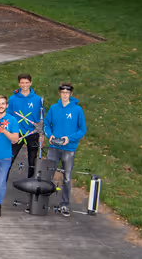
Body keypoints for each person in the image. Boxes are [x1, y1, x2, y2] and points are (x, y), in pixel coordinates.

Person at [44, 82, 86, 217]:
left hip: (69, 148)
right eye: (62, 92)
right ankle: (43, 202)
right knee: (47, 174)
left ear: (71, 94)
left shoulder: (77, 110)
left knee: (67, 177)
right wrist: (49, 135)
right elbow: (46, 124)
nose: (65, 95)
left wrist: (70, 138)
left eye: (67, 93)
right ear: (59, 93)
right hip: (54, 147)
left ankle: (65, 204)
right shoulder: (53, 108)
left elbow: (82, 130)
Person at [7, 74, 44, 179]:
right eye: (22, 83)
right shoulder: (13, 99)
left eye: (27, 82)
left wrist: (41, 133)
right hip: (17, 133)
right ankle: (0, 186)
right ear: (19, 84)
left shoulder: (38, 100)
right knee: (9, 159)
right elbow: (8, 117)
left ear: (31, 83)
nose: (24, 85)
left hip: (32, 134)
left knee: (32, 161)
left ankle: (31, 184)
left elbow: (41, 118)